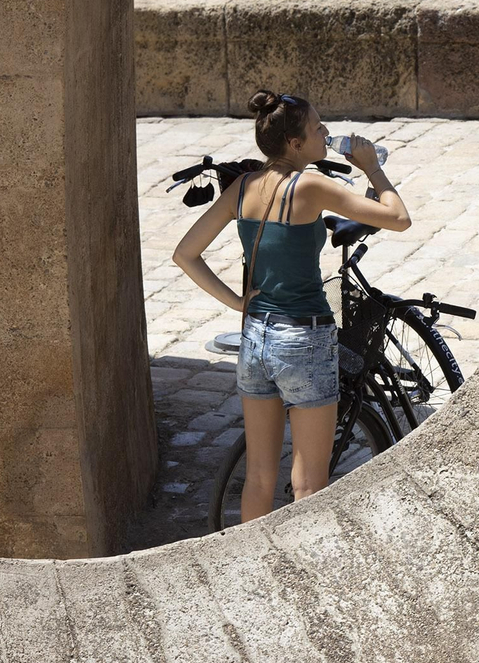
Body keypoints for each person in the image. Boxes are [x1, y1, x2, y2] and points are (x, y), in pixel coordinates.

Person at [172, 90, 410, 522]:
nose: (325, 134)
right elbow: (398, 217)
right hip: (304, 337)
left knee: (260, 477)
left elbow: (185, 253)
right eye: (318, 128)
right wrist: (372, 166)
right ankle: (301, 581)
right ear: (295, 144)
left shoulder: (242, 187)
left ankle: (250, 568)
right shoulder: (312, 185)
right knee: (308, 485)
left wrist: (237, 303)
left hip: (255, 337)